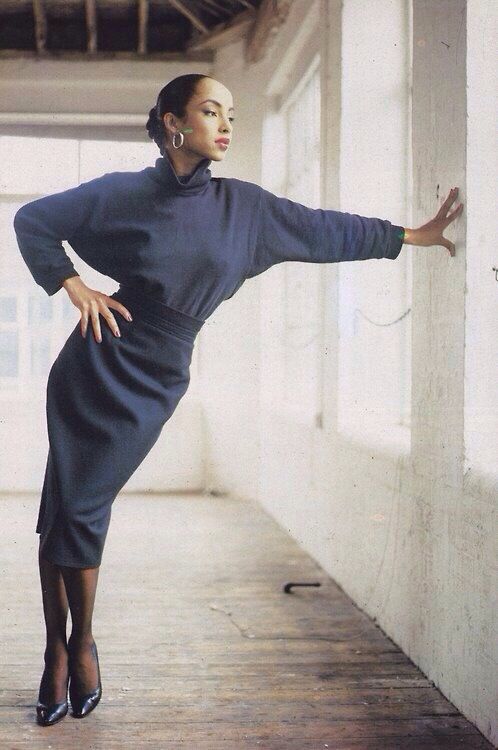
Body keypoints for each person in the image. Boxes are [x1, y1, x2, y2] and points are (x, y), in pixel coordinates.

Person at [12, 73, 464, 727]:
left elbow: (323, 230)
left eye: (232, 114)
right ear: (173, 123)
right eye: (210, 110)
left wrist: (408, 236)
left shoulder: (246, 212)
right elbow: (33, 221)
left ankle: (78, 641)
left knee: (79, 507)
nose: (225, 124)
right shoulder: (123, 194)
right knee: (69, 509)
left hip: (157, 377)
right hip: (92, 366)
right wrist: (73, 285)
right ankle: (61, 650)